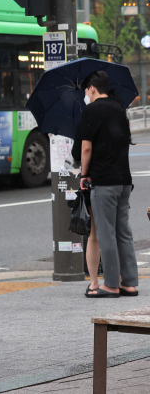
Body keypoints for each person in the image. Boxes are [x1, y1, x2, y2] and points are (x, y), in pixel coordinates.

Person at [78, 70, 138, 298]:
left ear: (91, 88)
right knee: (123, 231)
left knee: (105, 233)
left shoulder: (91, 110)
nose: (86, 94)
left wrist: (84, 174)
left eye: (86, 91)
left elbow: (86, 148)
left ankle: (111, 284)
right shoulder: (119, 108)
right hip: (124, 180)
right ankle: (129, 283)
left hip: (103, 180)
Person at [72, 124, 102, 296]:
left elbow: (82, 150)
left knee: (94, 235)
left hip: (95, 179)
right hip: (119, 179)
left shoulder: (89, 116)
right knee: (116, 233)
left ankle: (94, 282)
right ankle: (121, 279)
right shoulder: (119, 112)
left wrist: (83, 174)